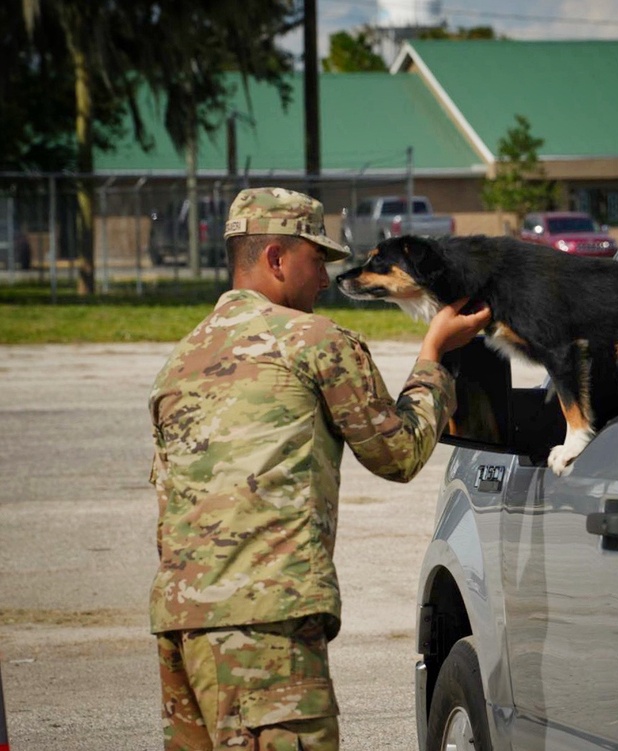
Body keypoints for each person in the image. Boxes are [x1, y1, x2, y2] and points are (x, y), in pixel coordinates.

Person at [147, 187, 491, 751]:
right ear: (276, 257)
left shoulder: (181, 359)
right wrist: (434, 356)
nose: (327, 280)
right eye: (317, 261)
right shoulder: (314, 341)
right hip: (266, 626)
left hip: (180, 626)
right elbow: (398, 453)